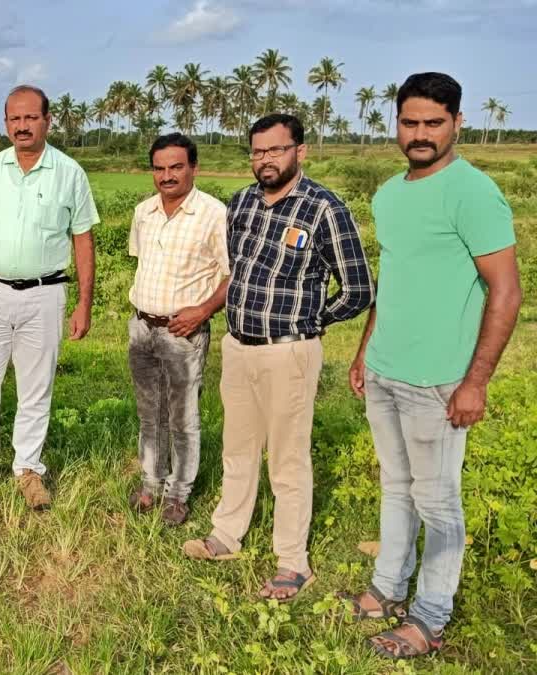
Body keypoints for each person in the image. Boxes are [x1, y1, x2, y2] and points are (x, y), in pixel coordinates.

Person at [340, 72, 521, 659]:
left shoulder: (473, 192)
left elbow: (506, 293)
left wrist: (476, 381)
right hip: (388, 371)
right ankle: (387, 590)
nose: (420, 134)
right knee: (396, 488)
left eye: (433, 123)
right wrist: (367, 349)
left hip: (440, 380)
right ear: (396, 123)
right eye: (410, 122)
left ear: (457, 124)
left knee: (438, 501)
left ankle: (429, 617)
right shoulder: (390, 193)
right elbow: (390, 282)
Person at [183, 114, 374, 601]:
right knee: (237, 448)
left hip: (289, 351)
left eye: (275, 150)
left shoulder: (324, 208)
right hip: (239, 346)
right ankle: (227, 534)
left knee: (288, 459)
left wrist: (312, 320)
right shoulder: (242, 202)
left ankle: (293, 561)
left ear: (300, 152)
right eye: (257, 151)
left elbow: (358, 289)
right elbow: (234, 266)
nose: (265, 160)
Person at [0, 85, 99, 510]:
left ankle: (29, 469)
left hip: (44, 293)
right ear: (5, 123)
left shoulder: (69, 173)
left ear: (48, 121)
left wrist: (83, 303)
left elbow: (83, 239)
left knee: (37, 386)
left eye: (31, 117)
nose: (22, 126)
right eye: (14, 119)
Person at [126, 133, 229, 526]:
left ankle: (178, 494)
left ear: (193, 168)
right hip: (141, 326)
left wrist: (202, 311)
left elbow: (232, 273)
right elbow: (143, 262)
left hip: (183, 332)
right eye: (159, 168)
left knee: (183, 417)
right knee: (149, 413)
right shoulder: (143, 212)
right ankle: (150, 484)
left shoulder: (213, 213)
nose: (167, 176)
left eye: (176, 167)